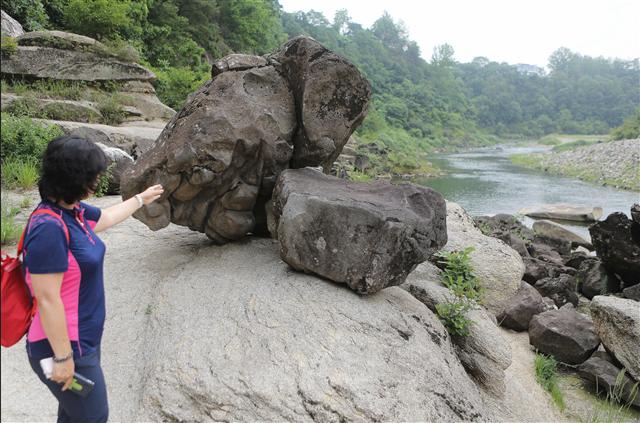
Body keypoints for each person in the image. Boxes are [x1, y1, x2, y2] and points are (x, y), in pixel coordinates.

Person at [22, 135, 163, 422]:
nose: (98, 181)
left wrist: (140, 199)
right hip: (60, 349)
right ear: (74, 178)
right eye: (93, 176)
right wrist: (63, 358)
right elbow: (47, 299)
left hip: (84, 341)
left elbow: (107, 218)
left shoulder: (71, 212)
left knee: (73, 415)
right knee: (94, 416)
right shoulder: (48, 228)